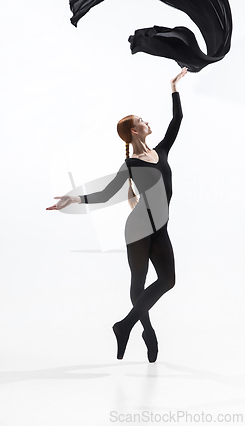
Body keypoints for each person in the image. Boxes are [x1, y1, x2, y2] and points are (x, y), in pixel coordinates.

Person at [46, 67, 188, 362]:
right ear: (135, 131)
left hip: (160, 228)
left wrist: (174, 88)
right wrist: (74, 198)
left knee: (168, 280)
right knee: (138, 284)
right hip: (138, 228)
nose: (147, 122)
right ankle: (144, 330)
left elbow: (178, 120)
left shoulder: (161, 151)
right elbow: (106, 195)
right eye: (142, 121)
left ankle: (125, 326)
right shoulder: (132, 165)